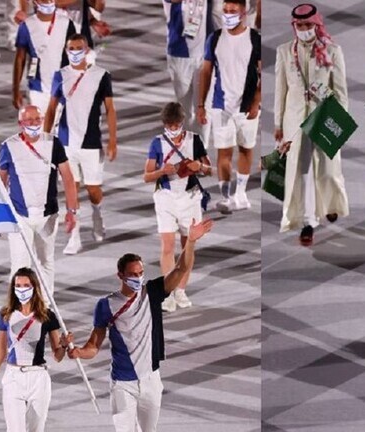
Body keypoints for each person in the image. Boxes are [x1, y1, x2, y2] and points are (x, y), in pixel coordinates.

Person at [64, 219, 214, 432]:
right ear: (121, 276)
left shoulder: (152, 292)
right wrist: (78, 352)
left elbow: (181, 269)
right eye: (133, 275)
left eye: (140, 273)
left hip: (151, 380)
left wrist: (190, 241)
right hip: (122, 384)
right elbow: (93, 346)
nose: (138, 278)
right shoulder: (106, 305)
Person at [273, 3, 348, 246]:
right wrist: (278, 124)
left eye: (308, 25)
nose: (304, 29)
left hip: (324, 117)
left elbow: (341, 91)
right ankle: (308, 222)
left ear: (316, 25)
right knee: (302, 171)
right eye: (299, 25)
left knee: (328, 169)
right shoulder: (285, 51)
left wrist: (341, 122)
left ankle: (331, 203)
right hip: (295, 121)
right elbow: (280, 90)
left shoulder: (332, 51)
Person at [44, 32, 116, 255]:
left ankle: (97, 214)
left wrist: (113, 140)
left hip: (91, 143)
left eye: (79, 48)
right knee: (71, 189)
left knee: (93, 189)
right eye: (71, 49)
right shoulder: (60, 75)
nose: (75, 52)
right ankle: (74, 237)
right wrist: (45, 139)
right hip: (66, 143)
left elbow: (110, 109)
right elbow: (51, 108)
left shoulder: (101, 76)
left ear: (87, 50)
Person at [0, 105, 79, 295]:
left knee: (46, 262)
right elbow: (0, 181)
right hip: (19, 215)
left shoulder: (54, 143)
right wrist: (0, 217)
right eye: (29, 120)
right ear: (20, 123)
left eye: (37, 119)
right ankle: (18, 307)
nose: (34, 123)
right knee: (20, 265)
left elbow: (68, 177)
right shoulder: (8, 146)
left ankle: (46, 304)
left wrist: (72, 211)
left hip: (48, 215)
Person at [0, 267, 69, 432]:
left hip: (38, 378)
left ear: (34, 287)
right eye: (18, 286)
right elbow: (0, 352)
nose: (22, 290)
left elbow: (57, 355)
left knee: (37, 429)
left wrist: (64, 345)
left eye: (26, 285)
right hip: (13, 378)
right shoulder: (6, 314)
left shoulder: (47, 316)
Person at [144, 102, 212, 312]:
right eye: (168, 125)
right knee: (167, 246)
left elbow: (209, 169)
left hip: (190, 199)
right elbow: (147, 176)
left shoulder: (194, 140)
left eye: (175, 124)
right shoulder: (157, 143)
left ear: (182, 122)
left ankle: (180, 290)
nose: (172, 128)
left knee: (187, 246)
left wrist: (199, 166)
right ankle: (167, 292)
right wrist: (162, 171)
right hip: (165, 198)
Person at [198, 0, 261, 213]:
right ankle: (225, 196)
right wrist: (201, 104)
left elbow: (262, 74)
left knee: (246, 148)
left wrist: (256, 102)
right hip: (220, 106)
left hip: (247, 106)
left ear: (243, 13)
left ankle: (240, 193)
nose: (227, 14)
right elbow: (206, 72)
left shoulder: (255, 39)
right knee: (223, 151)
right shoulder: (215, 38)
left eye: (232, 11)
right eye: (225, 10)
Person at [12, 0, 76, 114]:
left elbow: (73, 58)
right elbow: (20, 59)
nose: (47, 1)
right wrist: (15, 90)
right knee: (38, 124)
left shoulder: (67, 24)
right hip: (36, 89)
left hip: (61, 89)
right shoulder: (27, 26)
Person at [162, 0, 211, 136]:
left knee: (203, 107)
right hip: (179, 56)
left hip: (203, 55)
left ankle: (202, 146)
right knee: (185, 109)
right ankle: (187, 144)